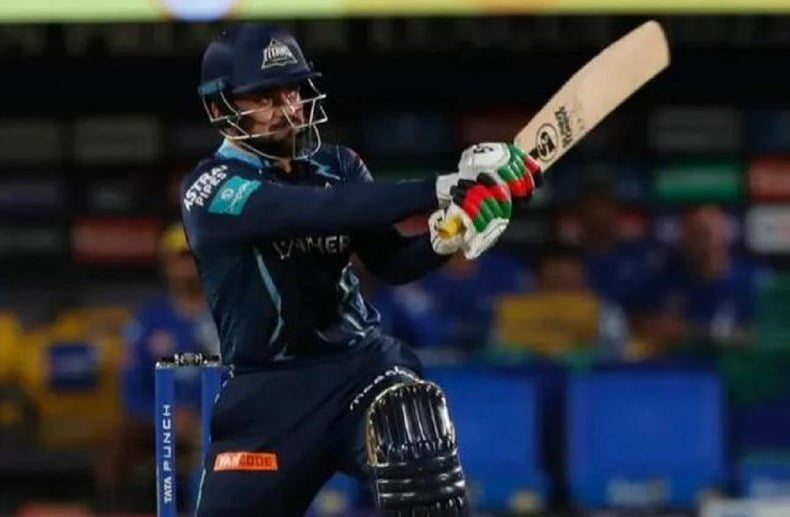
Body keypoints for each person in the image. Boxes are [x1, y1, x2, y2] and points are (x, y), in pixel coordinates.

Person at [182, 23, 542, 516]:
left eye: (293, 91)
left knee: (409, 420)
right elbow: (315, 210)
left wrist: (448, 234)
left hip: (360, 371)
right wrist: (445, 186)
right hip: (268, 391)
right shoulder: (210, 189)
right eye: (264, 97)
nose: (288, 108)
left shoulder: (338, 165)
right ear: (219, 108)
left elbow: (391, 262)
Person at [97, 223, 218, 511]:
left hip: (216, 416)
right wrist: (164, 415)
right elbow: (131, 385)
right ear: (167, 265)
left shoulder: (224, 314)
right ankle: (113, 510)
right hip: (158, 417)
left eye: (193, 256)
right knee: (119, 439)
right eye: (180, 258)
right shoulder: (149, 319)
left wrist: (201, 416)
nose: (187, 265)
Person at [629, 205, 766, 356]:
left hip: (735, 363)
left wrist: (697, 333)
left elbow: (765, 335)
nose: (704, 243)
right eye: (695, 234)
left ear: (724, 234)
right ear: (684, 238)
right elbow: (641, 324)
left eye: (708, 233)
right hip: (678, 365)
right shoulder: (665, 278)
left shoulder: (753, 279)